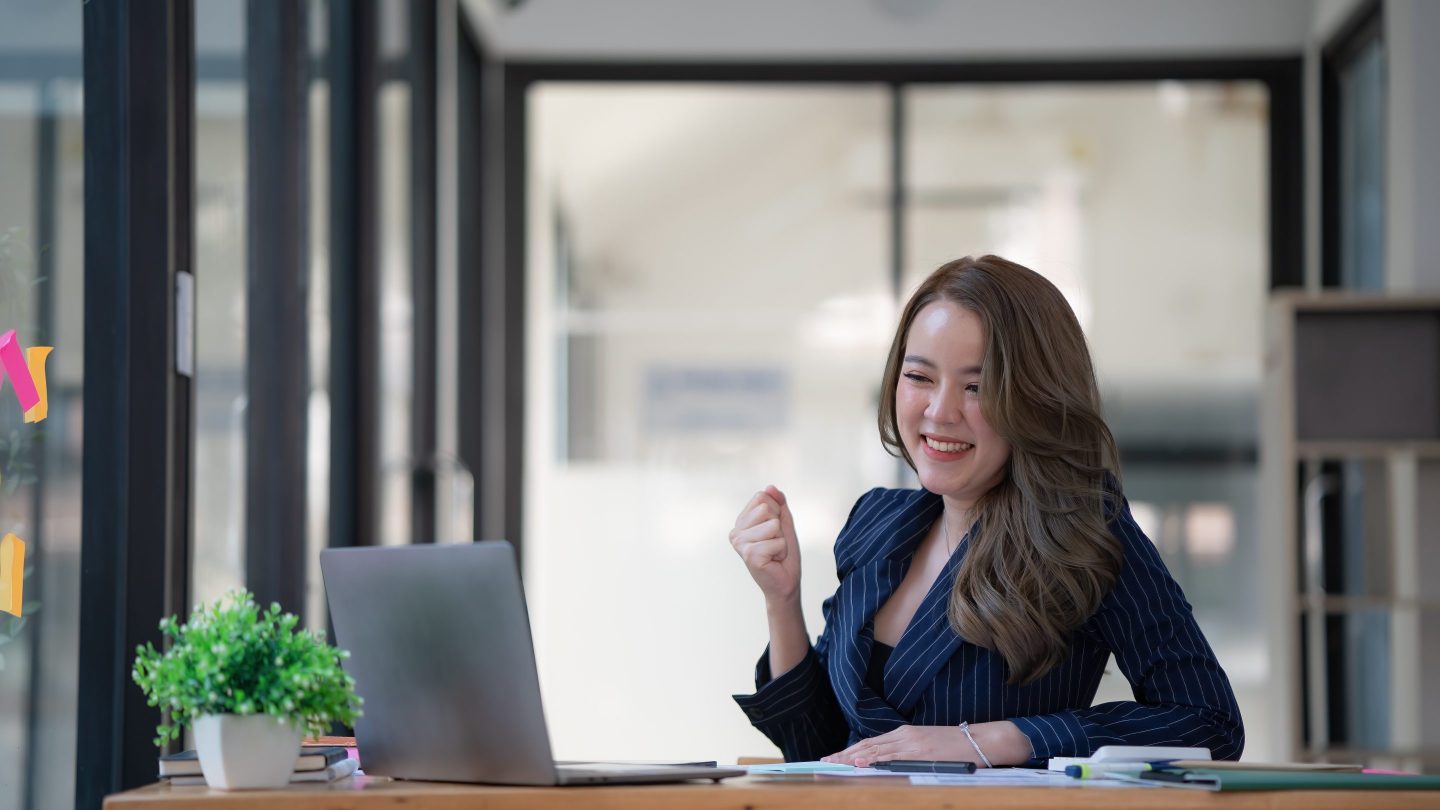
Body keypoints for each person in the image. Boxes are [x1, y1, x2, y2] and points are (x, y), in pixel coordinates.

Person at [728, 255, 1243, 767]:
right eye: (920, 377)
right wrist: (782, 599)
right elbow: (821, 749)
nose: (940, 411)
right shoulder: (877, 522)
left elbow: (1209, 722)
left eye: (977, 386)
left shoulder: (1082, 529)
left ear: (1036, 399)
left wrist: (995, 740)